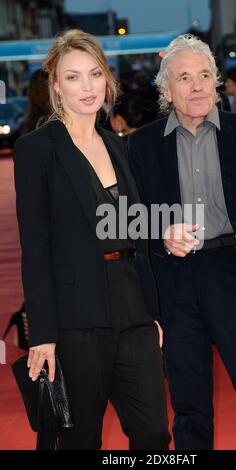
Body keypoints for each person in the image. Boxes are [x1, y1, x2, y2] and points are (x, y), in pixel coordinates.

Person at [128, 34, 236, 450]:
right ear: (166, 91)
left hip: (234, 273)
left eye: (205, 75)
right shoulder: (141, 145)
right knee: (189, 407)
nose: (198, 85)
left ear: (217, 82)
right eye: (185, 77)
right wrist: (161, 232)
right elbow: (130, 217)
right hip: (176, 282)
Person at [13, 29, 169, 450]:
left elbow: (135, 230)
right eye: (73, 76)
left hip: (133, 308)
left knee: (154, 432)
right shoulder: (37, 150)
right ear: (55, 84)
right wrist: (42, 334)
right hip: (75, 316)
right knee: (81, 438)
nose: (87, 87)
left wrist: (151, 311)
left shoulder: (120, 147)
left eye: (95, 74)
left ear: (108, 80)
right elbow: (37, 247)